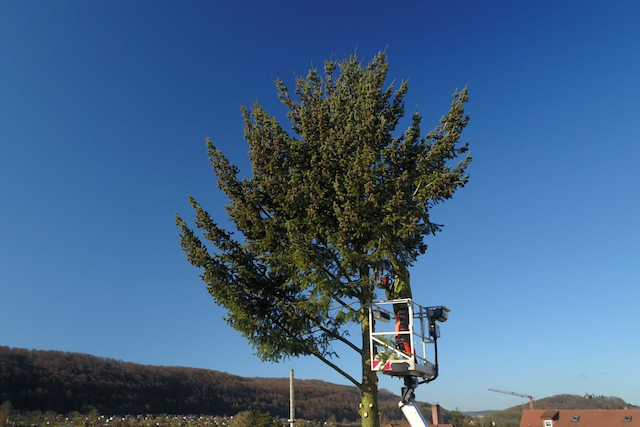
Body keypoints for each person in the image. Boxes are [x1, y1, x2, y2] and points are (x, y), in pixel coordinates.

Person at [379, 262, 412, 355]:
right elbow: (390, 298)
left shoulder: (403, 280)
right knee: (400, 333)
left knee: (401, 332)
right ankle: (407, 353)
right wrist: (386, 287)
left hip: (403, 308)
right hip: (398, 310)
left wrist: (389, 252)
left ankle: (407, 353)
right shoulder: (395, 284)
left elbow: (399, 267)